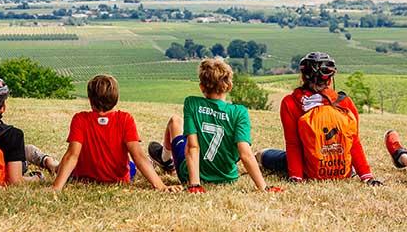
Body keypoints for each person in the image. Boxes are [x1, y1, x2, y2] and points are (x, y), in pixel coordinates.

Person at [148, 57, 281, 193]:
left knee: (175, 121)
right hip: (227, 177)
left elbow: (193, 147)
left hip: (190, 175)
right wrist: (264, 187)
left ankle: (165, 159)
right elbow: (245, 154)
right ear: (229, 86)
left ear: (202, 87)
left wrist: (194, 185)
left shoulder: (192, 103)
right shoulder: (240, 112)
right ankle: (165, 160)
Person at [258, 52, 382, 185]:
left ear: (303, 77)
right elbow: (354, 142)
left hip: (308, 169)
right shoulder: (345, 102)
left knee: (262, 154)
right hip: (342, 170)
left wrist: (296, 177)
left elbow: (293, 144)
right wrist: (367, 176)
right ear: (329, 79)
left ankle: (259, 156)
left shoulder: (290, 103)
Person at [52, 74, 179, 192]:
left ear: (90, 100)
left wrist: (56, 187)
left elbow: (72, 156)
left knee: (65, 163)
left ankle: (51, 164)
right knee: (132, 166)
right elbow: (139, 156)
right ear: (116, 99)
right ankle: (153, 164)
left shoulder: (79, 119)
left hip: (83, 177)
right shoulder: (125, 119)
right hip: (118, 179)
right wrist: (161, 186)